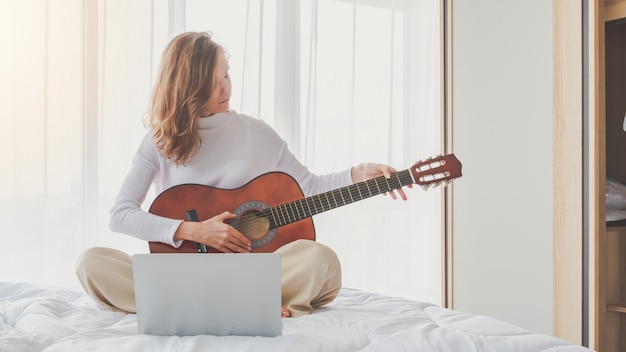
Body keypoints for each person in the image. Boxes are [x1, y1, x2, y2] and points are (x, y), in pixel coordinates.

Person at [75, 31, 410, 318]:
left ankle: (194, 306)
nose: (226, 88)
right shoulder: (157, 142)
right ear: (187, 86)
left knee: (321, 260)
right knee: (92, 263)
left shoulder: (257, 133)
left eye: (227, 75)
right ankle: (242, 304)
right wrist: (196, 231)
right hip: (188, 273)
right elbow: (121, 215)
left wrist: (357, 173)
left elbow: (308, 188)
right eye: (213, 81)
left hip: (251, 273)